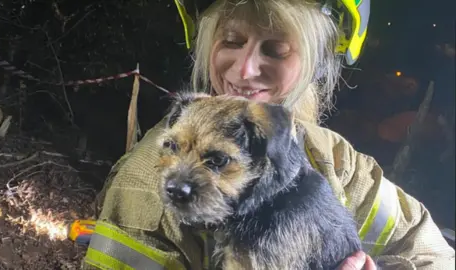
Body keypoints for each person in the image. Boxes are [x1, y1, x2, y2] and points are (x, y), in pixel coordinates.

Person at [82, 0, 456, 269]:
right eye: (230, 40)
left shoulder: (336, 159)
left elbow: (435, 255)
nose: (244, 70)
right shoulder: (146, 182)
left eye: (276, 50)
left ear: (317, 62)